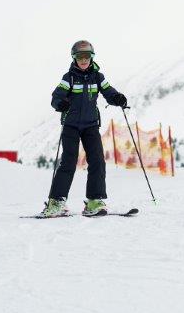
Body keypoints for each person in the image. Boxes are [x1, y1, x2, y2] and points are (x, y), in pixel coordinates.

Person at [42, 40, 127, 217]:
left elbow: (108, 92)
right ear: (74, 58)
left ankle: (94, 201)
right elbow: (56, 97)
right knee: (68, 162)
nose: (83, 60)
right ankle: (57, 201)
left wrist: (117, 98)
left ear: (92, 57)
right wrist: (61, 103)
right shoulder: (69, 78)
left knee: (97, 160)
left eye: (86, 56)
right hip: (71, 125)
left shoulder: (98, 77)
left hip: (90, 125)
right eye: (79, 56)